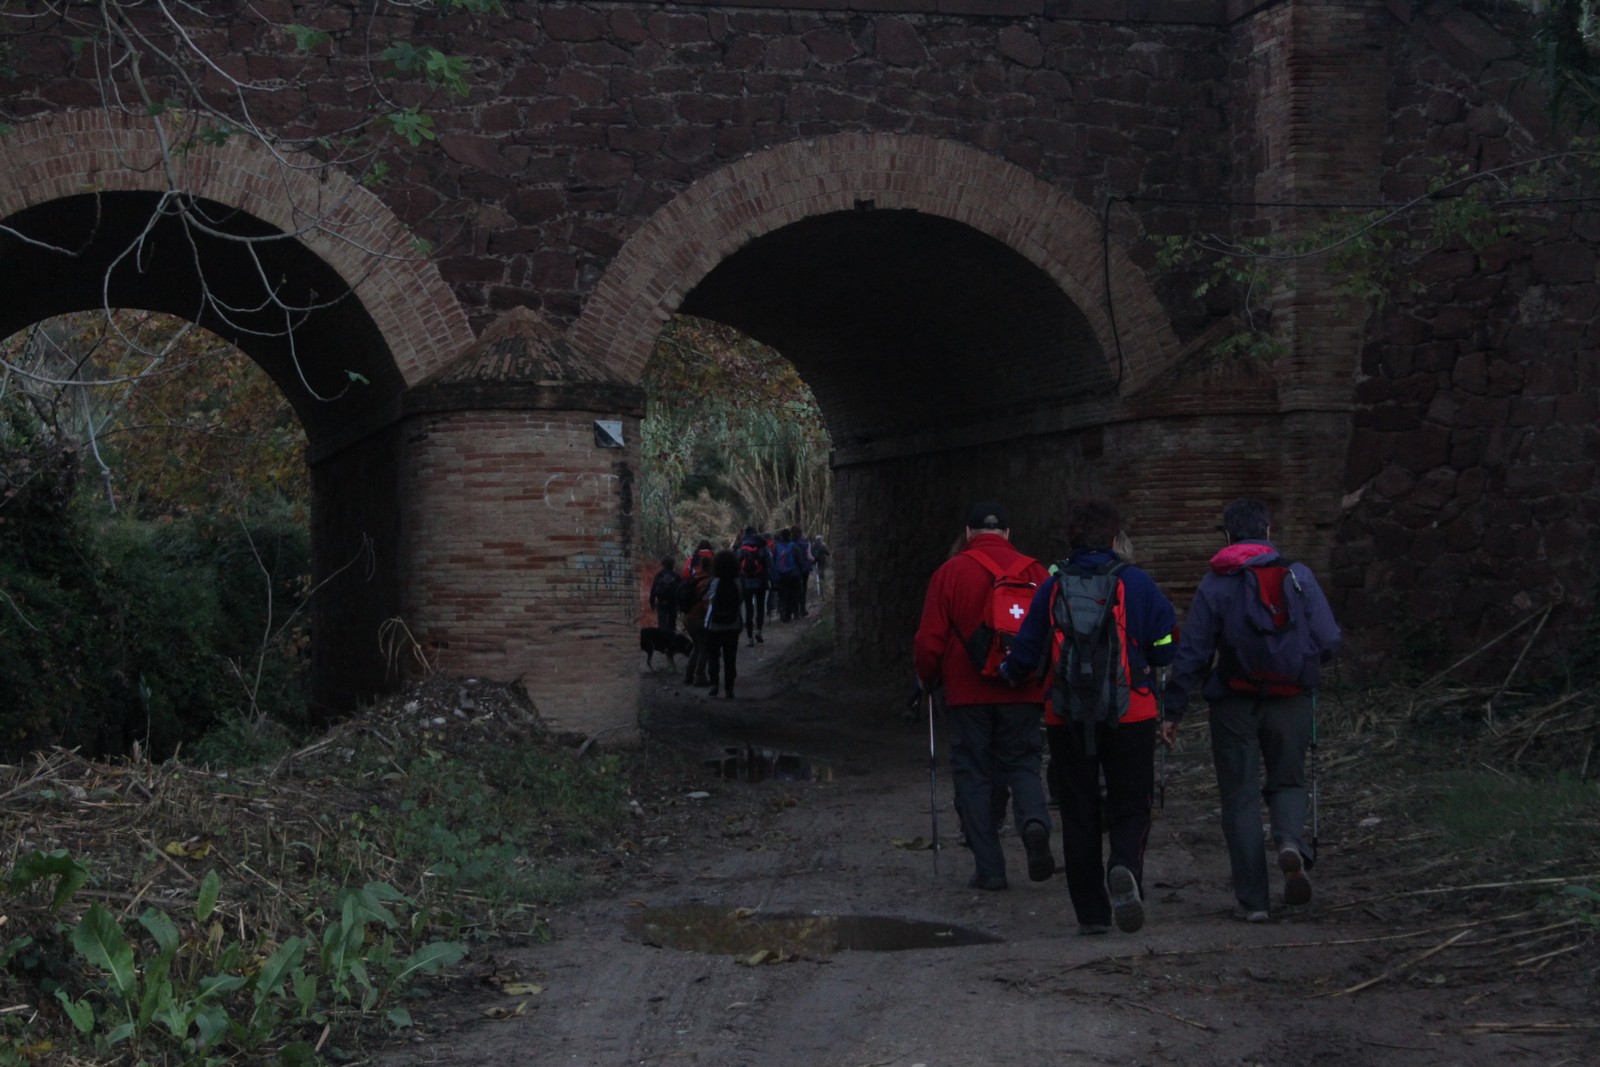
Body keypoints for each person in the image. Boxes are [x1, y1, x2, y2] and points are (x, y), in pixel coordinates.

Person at [998, 499, 1176, 935]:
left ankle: (1092, 916)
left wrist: (1008, 672)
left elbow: (1026, 652)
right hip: (1131, 712)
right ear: (1115, 539)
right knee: (1131, 804)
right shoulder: (1137, 582)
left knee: (1078, 812)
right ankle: (1124, 866)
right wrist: (1150, 658)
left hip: (1067, 715)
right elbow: (1165, 647)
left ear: (1072, 539)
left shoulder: (1052, 586)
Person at [1164, 498, 1341, 922]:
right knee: (1289, 781)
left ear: (1227, 536)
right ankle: (1289, 843)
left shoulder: (1215, 583)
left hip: (1233, 703)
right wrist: (1303, 667)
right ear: (1268, 531)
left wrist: (1173, 709)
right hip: (1291, 700)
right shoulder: (1299, 575)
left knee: (1239, 797)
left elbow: (1193, 652)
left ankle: (1255, 902)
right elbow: (1329, 638)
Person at [913, 501, 1055, 891]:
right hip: (1022, 688)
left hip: (967, 692)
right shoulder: (1036, 572)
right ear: (1008, 533)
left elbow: (928, 642)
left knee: (973, 774)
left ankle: (990, 869)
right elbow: (1052, 634)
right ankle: (1034, 823)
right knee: (1023, 763)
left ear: (968, 533)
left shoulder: (949, 573)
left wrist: (928, 679)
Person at [703, 549, 744, 698]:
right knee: (730, 657)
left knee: (713, 655)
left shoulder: (714, 581)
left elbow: (707, 598)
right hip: (733, 624)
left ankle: (714, 684)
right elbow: (740, 599)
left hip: (714, 625)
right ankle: (729, 688)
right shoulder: (737, 582)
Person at [679, 552, 714, 688]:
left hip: (688, 617)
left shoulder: (694, 578)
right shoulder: (707, 582)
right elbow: (706, 604)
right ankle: (699, 677)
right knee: (704, 648)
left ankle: (688, 676)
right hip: (699, 618)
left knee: (696, 647)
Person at [735, 526, 772, 647]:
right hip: (760, 581)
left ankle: (749, 637)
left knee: (748, 609)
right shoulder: (762, 547)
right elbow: (769, 565)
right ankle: (759, 632)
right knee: (760, 607)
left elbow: (736, 567)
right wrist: (774, 582)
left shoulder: (741, 548)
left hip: (746, 583)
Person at [791, 525, 815, 618]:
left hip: (793, 570)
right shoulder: (806, 543)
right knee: (803, 589)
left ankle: (795, 611)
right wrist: (814, 559)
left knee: (794, 590)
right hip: (804, 569)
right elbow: (809, 556)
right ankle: (803, 609)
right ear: (800, 533)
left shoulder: (790, 543)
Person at [810, 534, 830, 601]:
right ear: (821, 539)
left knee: (816, 577)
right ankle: (822, 592)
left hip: (814, 562)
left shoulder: (813, 545)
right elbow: (828, 553)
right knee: (821, 577)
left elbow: (810, 553)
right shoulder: (823, 545)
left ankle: (816, 589)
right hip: (821, 562)